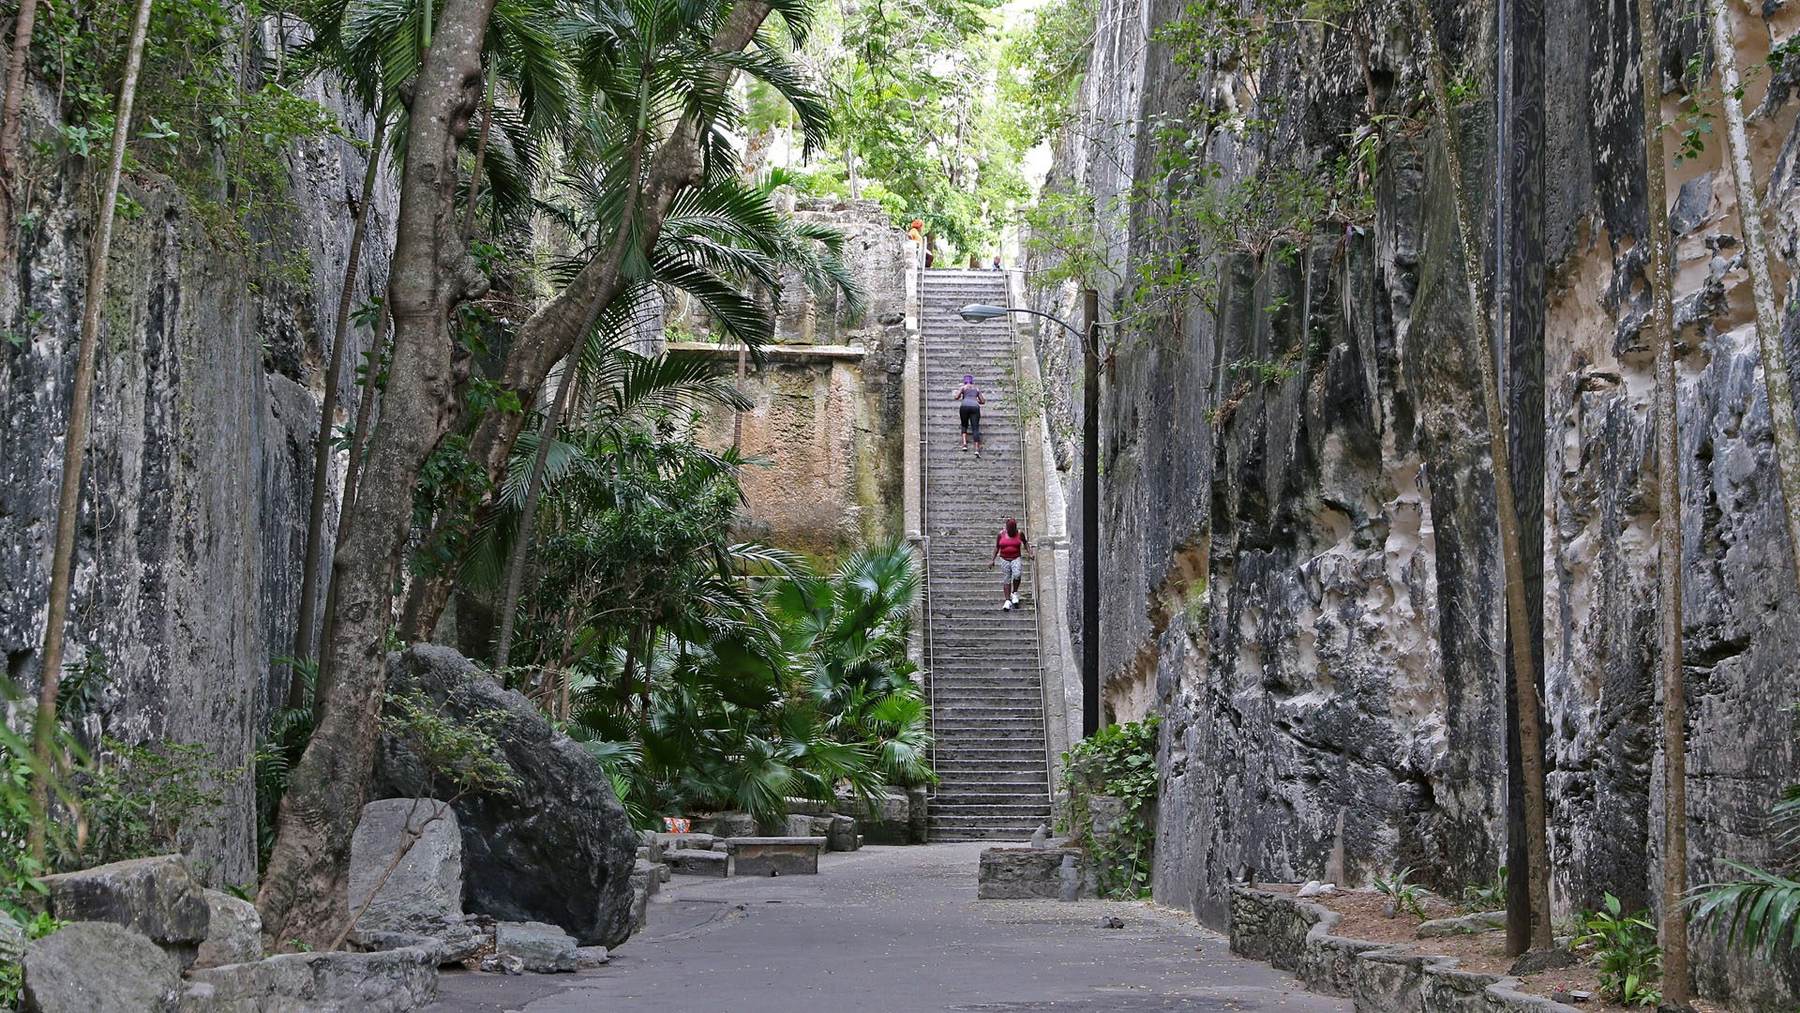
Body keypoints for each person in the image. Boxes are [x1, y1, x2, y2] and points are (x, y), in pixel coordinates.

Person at [990, 518, 1031, 610]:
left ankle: (1014, 592)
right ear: (1007, 528)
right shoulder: (1001, 534)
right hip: (1004, 559)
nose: (1011, 531)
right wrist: (992, 559)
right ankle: (1007, 600)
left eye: (1013, 529)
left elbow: (1025, 543)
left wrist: (1030, 553)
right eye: (1010, 529)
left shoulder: (1020, 534)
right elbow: (997, 547)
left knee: (1017, 575)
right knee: (1006, 579)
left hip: (1016, 558)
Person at [951, 373, 984, 456]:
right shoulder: (976, 389)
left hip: (964, 406)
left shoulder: (963, 388)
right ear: (972, 381)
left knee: (964, 425)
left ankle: (965, 444)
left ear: (964, 381)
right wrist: (976, 401)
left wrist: (962, 396)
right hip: (975, 407)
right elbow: (983, 401)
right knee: (975, 428)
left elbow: (956, 397)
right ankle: (976, 449)